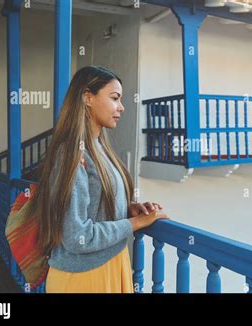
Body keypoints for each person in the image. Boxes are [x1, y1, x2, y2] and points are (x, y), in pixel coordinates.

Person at [28, 66, 168, 293]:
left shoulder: (100, 146)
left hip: (110, 264)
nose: (121, 107)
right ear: (87, 97)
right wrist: (136, 224)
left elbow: (94, 204)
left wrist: (129, 209)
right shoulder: (71, 153)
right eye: (114, 98)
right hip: (83, 278)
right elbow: (76, 236)